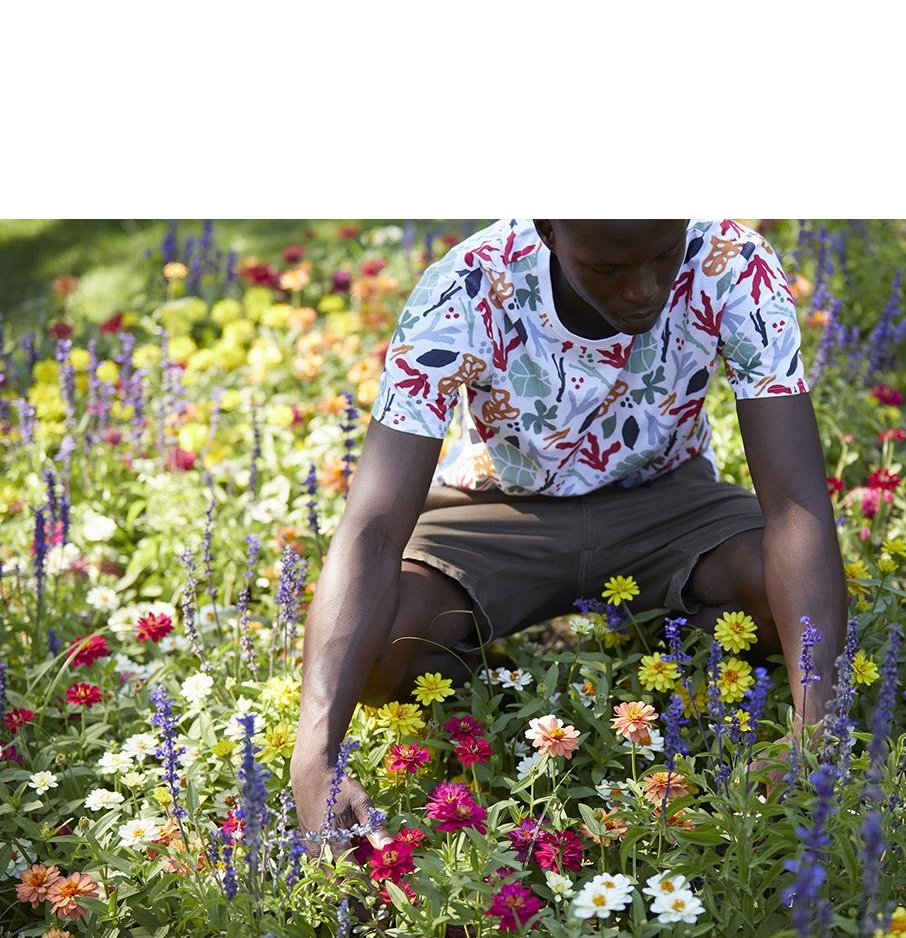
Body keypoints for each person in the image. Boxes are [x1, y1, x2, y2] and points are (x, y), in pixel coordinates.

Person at [290, 218, 848, 854]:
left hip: (667, 500)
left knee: (781, 599)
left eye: (664, 255)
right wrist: (315, 756)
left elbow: (796, 504)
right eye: (608, 268)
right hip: (498, 506)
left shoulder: (734, 262)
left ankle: (670, 651)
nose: (644, 290)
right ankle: (504, 682)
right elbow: (372, 529)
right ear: (548, 230)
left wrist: (815, 729)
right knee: (383, 650)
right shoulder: (466, 287)